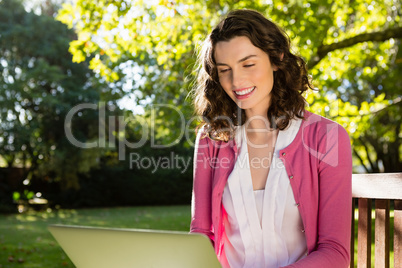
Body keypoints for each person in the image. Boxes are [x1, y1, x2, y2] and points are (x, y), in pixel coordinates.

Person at [190, 9, 352, 268]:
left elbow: (335, 252)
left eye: (248, 64)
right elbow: (201, 236)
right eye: (224, 70)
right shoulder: (210, 141)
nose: (236, 80)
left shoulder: (326, 138)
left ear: (277, 58)